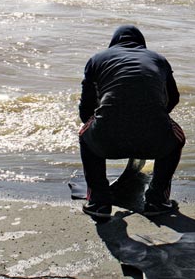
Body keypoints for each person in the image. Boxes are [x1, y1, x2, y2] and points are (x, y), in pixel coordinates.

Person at [78, 25, 185, 219]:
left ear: (113, 43)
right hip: (155, 140)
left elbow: (85, 108)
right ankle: (157, 199)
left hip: (106, 140)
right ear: (141, 44)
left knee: (84, 135)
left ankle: (98, 201)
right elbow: (174, 98)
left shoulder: (96, 60)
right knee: (177, 138)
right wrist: (154, 118)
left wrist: (102, 126)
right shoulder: (158, 59)